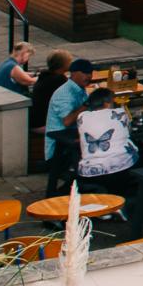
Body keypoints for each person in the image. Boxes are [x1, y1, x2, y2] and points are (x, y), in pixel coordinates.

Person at [43, 59, 96, 190]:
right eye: (85, 73)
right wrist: (86, 105)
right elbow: (67, 121)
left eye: (90, 73)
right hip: (59, 150)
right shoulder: (64, 93)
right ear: (73, 73)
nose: (89, 76)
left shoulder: (81, 90)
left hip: (73, 143)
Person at [72, 88, 136, 179]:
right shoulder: (120, 112)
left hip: (88, 171)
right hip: (121, 167)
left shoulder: (81, 116)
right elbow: (129, 132)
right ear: (106, 103)